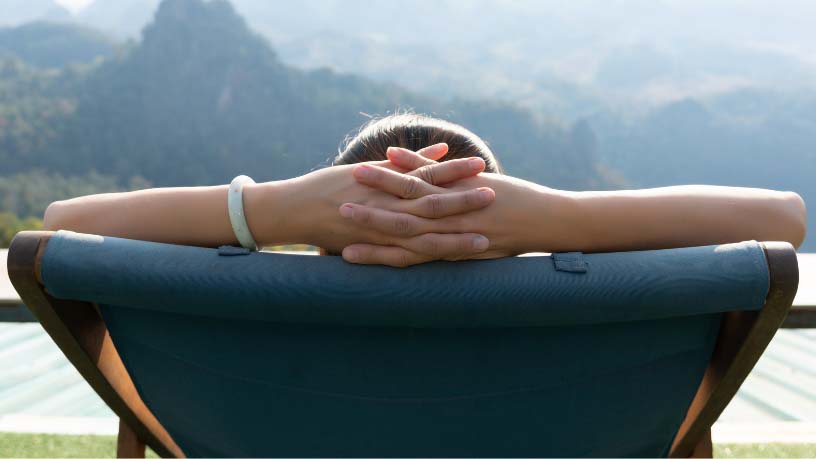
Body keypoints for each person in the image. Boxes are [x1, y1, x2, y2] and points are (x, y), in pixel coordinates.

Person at [43, 114, 807, 267]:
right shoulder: (552, 309)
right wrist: (559, 220)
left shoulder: (279, 320)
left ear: (320, 241)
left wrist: (271, 209)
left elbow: (61, 226)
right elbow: (780, 219)